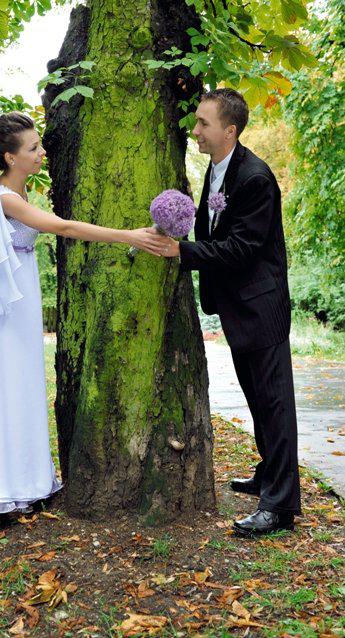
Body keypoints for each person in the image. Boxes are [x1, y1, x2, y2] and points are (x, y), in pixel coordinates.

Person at [0, 111, 167, 516]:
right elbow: (64, 228)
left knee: (20, 381)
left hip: (15, 287)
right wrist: (128, 236)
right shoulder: (4, 197)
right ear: (10, 157)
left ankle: (23, 478)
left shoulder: (12, 190)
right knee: (1, 384)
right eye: (33, 148)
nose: (42, 152)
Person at [156, 89, 301, 536]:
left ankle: (280, 507)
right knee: (258, 400)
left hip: (261, 307)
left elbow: (242, 247)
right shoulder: (219, 169)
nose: (195, 130)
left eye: (204, 123)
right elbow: (214, 226)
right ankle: (268, 474)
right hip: (239, 307)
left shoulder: (255, 178)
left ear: (229, 130)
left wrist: (181, 251)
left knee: (275, 406)